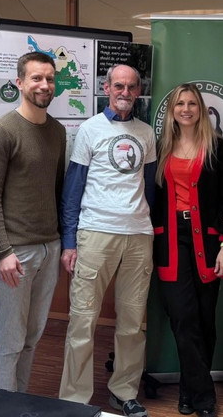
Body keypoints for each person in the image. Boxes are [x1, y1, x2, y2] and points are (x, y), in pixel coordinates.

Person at [59, 64, 156, 417]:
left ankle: (123, 391)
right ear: (107, 87)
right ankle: (74, 399)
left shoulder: (146, 133)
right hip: (95, 234)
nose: (125, 92)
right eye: (119, 86)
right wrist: (69, 241)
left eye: (132, 87)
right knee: (82, 320)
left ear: (139, 90)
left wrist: (149, 228)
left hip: (138, 237)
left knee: (133, 323)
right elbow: (73, 190)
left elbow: (150, 187)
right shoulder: (89, 130)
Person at [152, 83, 223, 417]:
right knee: (182, 318)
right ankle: (204, 397)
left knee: (205, 321)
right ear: (172, 110)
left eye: (192, 103)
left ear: (201, 109)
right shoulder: (158, 148)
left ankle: (189, 391)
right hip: (169, 243)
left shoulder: (217, 149)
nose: (186, 109)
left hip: (208, 242)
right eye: (180, 104)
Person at [0, 51, 66, 392]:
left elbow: (55, 190)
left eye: (49, 78)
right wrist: (1, 252)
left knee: (31, 338)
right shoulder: (1, 132)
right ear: (19, 83)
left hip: (48, 249)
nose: (44, 85)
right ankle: (3, 407)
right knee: (10, 341)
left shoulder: (57, 132)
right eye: (36, 78)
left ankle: (20, 402)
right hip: (14, 254)